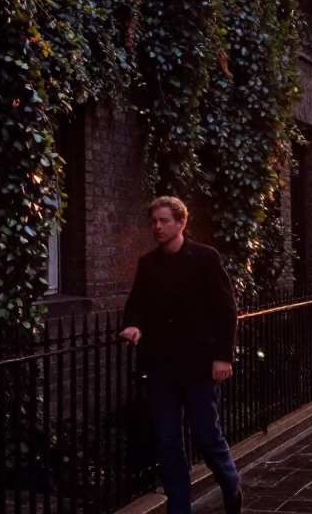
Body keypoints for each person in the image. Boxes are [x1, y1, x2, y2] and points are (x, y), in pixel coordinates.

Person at [121, 197, 242, 514]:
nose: (157, 227)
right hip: (161, 366)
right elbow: (137, 303)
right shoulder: (148, 263)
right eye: (154, 222)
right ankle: (179, 508)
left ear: (181, 222)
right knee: (168, 441)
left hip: (200, 366)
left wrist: (223, 357)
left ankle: (231, 485)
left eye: (163, 221)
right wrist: (133, 324)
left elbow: (226, 309)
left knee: (206, 435)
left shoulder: (204, 258)